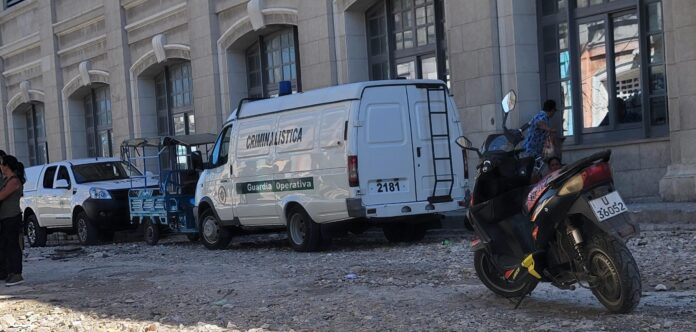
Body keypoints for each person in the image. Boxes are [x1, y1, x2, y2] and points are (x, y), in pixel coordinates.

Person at [0, 155, 26, 286]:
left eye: (2, 165)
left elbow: (2, 195)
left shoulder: (14, 181)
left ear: (7, 166)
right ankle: (11, 272)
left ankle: (17, 273)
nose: (1, 167)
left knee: (13, 246)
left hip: (12, 217)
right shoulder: (7, 180)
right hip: (5, 217)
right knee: (7, 246)